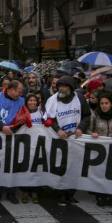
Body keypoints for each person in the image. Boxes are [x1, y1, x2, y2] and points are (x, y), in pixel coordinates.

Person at [44, 75, 91, 206]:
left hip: (75, 139)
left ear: (70, 88)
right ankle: (61, 194)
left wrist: (81, 128)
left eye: (64, 86)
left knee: (74, 167)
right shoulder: (52, 100)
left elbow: (87, 115)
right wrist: (57, 129)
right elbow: (47, 119)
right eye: (59, 86)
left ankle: (71, 193)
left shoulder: (80, 99)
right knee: (61, 166)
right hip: (60, 139)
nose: (61, 89)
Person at [87, 92, 112, 207]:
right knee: (99, 172)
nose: (104, 106)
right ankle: (99, 195)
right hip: (99, 150)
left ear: (111, 104)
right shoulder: (95, 115)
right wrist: (93, 134)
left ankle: (108, 194)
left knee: (110, 172)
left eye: (106, 103)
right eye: (102, 103)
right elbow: (88, 130)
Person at [20, 93, 45, 204]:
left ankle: (35, 191)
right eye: (30, 100)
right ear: (26, 102)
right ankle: (25, 191)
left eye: (34, 100)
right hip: (25, 145)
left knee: (36, 168)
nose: (32, 102)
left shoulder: (41, 113)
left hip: (38, 145)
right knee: (25, 168)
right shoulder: (21, 113)